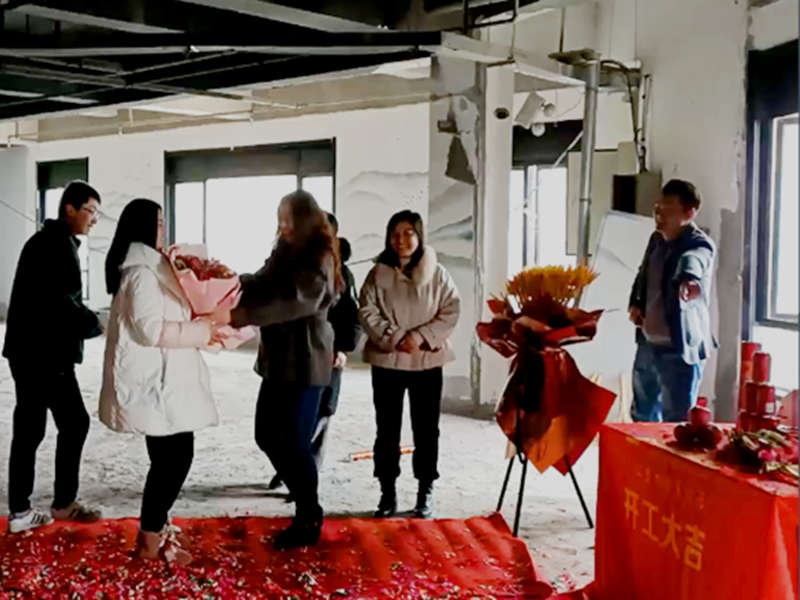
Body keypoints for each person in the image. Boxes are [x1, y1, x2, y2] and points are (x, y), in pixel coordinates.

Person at [99, 198, 224, 565]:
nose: (162, 228)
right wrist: (201, 331)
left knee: (170, 459)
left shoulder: (153, 267)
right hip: (156, 381)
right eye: (157, 221)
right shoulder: (141, 272)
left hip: (167, 377)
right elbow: (150, 329)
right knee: (174, 461)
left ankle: (154, 531)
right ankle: (150, 540)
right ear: (140, 227)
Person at [216, 190, 341, 550]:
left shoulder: (319, 256)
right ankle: (305, 500)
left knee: (293, 443)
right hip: (277, 360)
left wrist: (238, 316)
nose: (283, 225)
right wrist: (228, 283)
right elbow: (262, 281)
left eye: (289, 219)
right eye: (280, 218)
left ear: (305, 219)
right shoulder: (284, 250)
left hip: (305, 362)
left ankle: (308, 514)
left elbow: (293, 303)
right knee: (267, 435)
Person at [3, 181, 104, 533]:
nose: (94, 219)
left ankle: (22, 510)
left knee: (30, 428)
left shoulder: (48, 241)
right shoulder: (57, 245)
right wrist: (96, 323)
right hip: (45, 354)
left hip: (28, 350)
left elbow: (58, 299)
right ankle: (60, 504)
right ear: (69, 209)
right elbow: (62, 305)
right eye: (90, 211)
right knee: (73, 423)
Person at [358, 210, 460, 519]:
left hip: (425, 361)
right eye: (395, 234)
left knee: (426, 430)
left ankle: (425, 489)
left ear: (419, 236)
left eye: (408, 233)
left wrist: (419, 337)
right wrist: (395, 337)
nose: (401, 240)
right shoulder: (377, 274)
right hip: (388, 361)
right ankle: (387, 491)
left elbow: (450, 310)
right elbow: (367, 310)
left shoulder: (437, 274)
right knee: (387, 430)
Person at [268, 213, 361, 493]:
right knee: (287, 420)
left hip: (325, 354)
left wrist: (343, 348)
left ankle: (305, 481)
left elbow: (351, 316)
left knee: (320, 415)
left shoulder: (340, 273)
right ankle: (291, 470)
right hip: (290, 357)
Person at [628, 179, 716, 422]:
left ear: (689, 213)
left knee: (676, 420)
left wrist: (689, 278)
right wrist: (636, 302)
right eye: (657, 207)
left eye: (667, 208)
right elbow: (643, 273)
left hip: (679, 348)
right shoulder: (656, 240)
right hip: (648, 344)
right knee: (642, 414)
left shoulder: (699, 244)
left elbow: (693, 260)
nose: (659, 214)